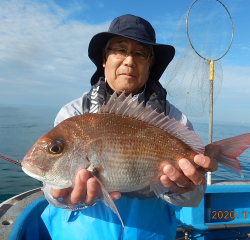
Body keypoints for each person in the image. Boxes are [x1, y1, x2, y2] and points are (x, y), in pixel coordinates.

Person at [41, 14, 218, 239]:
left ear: (150, 63)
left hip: (151, 233)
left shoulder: (174, 120)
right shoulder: (74, 114)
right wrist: (58, 196)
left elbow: (194, 199)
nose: (129, 61)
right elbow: (50, 183)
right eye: (119, 50)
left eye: (140, 53)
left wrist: (183, 188)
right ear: (104, 58)